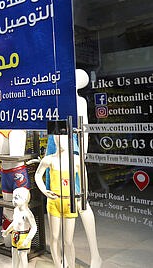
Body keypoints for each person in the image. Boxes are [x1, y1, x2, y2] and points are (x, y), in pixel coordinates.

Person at [44, 69, 102, 268]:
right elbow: (51, 127)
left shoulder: (80, 102)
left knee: (81, 201)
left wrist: (81, 157)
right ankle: (61, 258)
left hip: (73, 149)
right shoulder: (55, 98)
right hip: (55, 147)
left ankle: (95, 254)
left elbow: (83, 129)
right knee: (57, 199)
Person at [35, 133, 80, 268]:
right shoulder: (49, 160)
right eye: (57, 137)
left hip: (69, 202)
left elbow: (83, 180)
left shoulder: (76, 160)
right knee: (54, 237)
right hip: (54, 202)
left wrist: (81, 198)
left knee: (68, 240)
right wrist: (44, 191)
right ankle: (58, 265)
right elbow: (38, 175)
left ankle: (70, 265)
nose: (59, 139)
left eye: (64, 136)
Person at [0, 129, 29, 247]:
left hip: (18, 172)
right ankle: (10, 241)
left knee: (20, 209)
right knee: (7, 208)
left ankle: (22, 242)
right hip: (5, 172)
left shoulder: (18, 132)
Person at [1, 187, 37, 268]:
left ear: (24, 199)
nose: (13, 200)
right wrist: (7, 231)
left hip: (23, 236)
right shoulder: (16, 210)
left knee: (22, 256)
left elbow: (34, 228)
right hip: (15, 234)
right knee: (14, 254)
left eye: (16, 198)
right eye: (13, 197)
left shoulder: (27, 213)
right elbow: (14, 223)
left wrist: (28, 239)